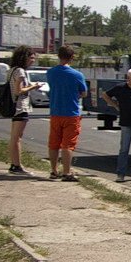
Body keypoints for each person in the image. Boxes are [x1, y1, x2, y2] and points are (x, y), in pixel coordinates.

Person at [45, 44, 88, 182]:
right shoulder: (77, 75)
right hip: (71, 113)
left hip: (55, 111)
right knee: (68, 144)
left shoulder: (50, 72)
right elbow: (84, 93)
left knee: (54, 143)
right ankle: (66, 172)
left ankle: (53, 170)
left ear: (59, 56)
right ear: (72, 57)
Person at [7, 45, 45, 176]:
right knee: (17, 138)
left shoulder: (12, 70)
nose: (32, 60)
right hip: (20, 107)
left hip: (14, 106)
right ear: (24, 57)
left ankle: (14, 164)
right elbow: (19, 90)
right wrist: (33, 86)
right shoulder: (21, 72)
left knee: (14, 137)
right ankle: (16, 166)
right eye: (31, 58)